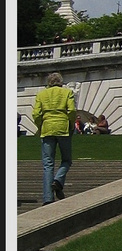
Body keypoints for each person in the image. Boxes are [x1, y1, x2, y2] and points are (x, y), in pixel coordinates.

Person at [31, 71, 77, 205]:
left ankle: (47, 198)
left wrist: (40, 126)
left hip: (47, 129)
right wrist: (71, 124)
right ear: (60, 82)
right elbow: (72, 111)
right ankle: (58, 180)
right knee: (67, 160)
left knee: (47, 164)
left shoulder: (41, 94)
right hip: (63, 128)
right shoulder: (67, 92)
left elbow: (36, 114)